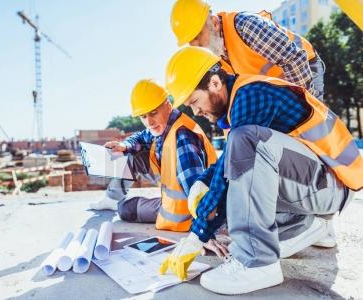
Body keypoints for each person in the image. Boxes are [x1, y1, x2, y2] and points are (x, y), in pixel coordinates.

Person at [159, 46, 362, 294]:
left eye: (194, 102)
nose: (196, 112)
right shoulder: (239, 100)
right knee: (238, 197)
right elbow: (228, 165)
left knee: (246, 145)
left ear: (214, 83)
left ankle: (257, 263)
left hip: (332, 186)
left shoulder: (251, 96)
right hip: (319, 185)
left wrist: (198, 232)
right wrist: (203, 181)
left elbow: (236, 163)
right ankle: (309, 226)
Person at [90, 79, 217, 232]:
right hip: (176, 194)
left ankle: (118, 204)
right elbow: (141, 136)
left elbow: (195, 189)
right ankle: (111, 199)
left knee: (125, 209)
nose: (149, 122)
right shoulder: (165, 125)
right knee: (133, 155)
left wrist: (204, 230)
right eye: (143, 117)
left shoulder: (183, 137)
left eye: (153, 113)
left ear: (168, 105)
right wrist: (125, 145)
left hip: (184, 213)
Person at [170, 0, 326, 99]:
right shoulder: (215, 58)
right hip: (276, 85)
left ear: (215, 23)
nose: (195, 45)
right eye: (190, 41)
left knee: (311, 125)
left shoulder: (244, 26)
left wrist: (303, 106)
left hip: (304, 66)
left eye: (198, 35)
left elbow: (294, 59)